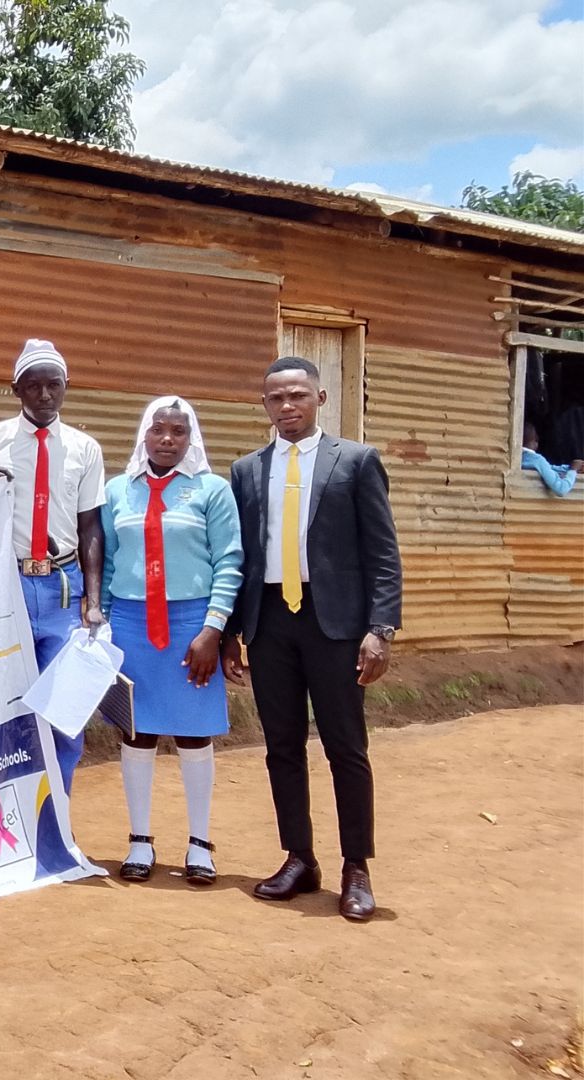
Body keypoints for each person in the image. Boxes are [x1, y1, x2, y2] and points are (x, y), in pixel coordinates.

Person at [225, 355, 401, 922]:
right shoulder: (247, 470)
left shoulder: (355, 461)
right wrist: (231, 631)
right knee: (281, 746)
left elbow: (382, 552)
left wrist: (380, 630)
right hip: (271, 620)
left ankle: (356, 867)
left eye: (298, 395)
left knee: (346, 747)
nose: (287, 406)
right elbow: (241, 557)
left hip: (336, 626)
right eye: (276, 398)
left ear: (320, 399)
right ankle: (299, 858)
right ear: (265, 405)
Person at [99, 396, 242, 887]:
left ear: (191, 437)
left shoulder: (211, 490)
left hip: (190, 626)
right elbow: (110, 560)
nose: (166, 440)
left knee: (191, 732)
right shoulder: (118, 490)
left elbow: (229, 561)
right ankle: (140, 839)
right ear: (143, 434)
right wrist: (103, 622)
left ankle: (199, 842)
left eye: (178, 432)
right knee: (136, 732)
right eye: (158, 430)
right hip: (131, 624)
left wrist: (213, 629)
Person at [0, 339, 106, 795]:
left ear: (67, 387)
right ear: (16, 389)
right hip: (7, 586)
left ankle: (57, 815)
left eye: (54, 386)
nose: (45, 395)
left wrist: (93, 600)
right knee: (0, 702)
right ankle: (3, 812)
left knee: (65, 708)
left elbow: (91, 528)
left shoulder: (84, 448)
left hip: (63, 589)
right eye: (34, 386)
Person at [522, 419, 575, 496]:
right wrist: (573, 471)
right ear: (536, 440)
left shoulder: (520, 458)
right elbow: (561, 489)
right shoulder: (537, 460)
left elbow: (549, 467)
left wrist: (568, 467)